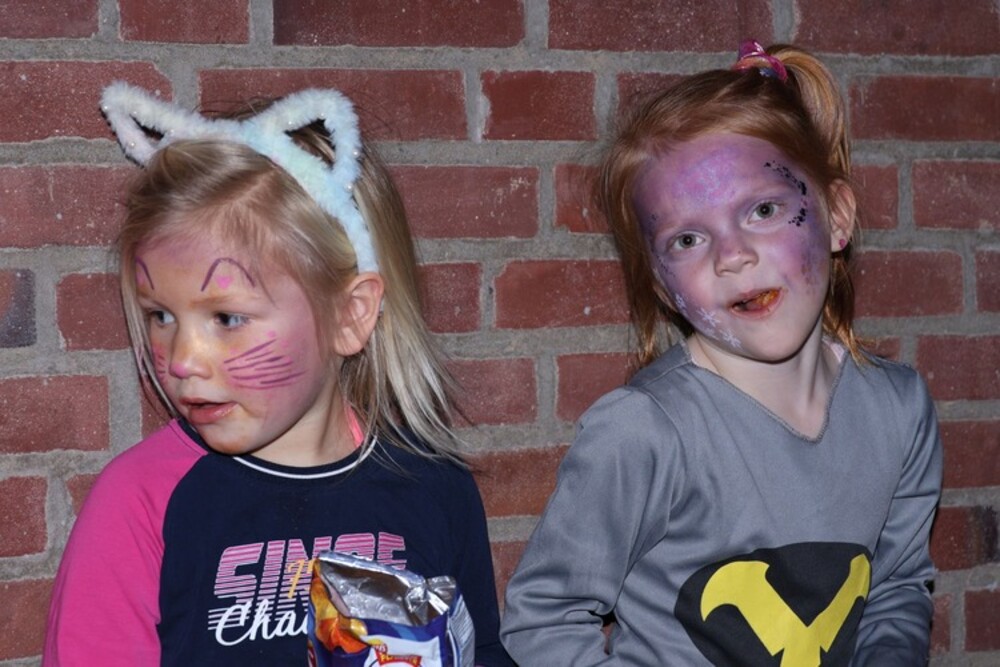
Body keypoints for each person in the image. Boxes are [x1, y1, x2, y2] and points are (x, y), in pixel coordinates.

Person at [500, 41, 942, 666]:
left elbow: (895, 588)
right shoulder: (644, 431)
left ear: (837, 216)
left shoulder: (899, 410)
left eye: (763, 209)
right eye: (687, 239)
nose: (732, 256)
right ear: (661, 284)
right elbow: (544, 617)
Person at [44, 83, 513, 666]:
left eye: (227, 318)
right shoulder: (137, 503)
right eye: (160, 316)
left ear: (350, 316)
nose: (183, 360)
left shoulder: (434, 488)